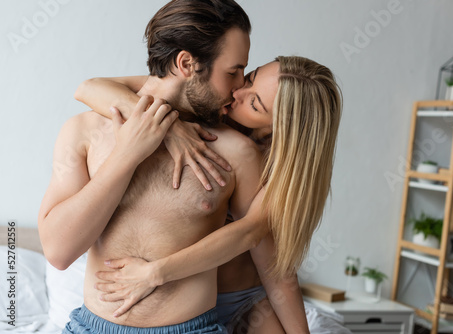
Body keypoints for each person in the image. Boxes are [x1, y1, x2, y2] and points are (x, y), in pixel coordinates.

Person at [37, 1, 277, 333]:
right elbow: (59, 252)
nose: (238, 88)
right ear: (186, 64)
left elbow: (268, 257)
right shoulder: (84, 131)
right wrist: (127, 155)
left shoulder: (236, 152)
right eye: (232, 72)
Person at [75, 55, 342, 332]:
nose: (237, 93)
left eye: (254, 103)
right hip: (195, 307)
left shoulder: (276, 168)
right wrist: (171, 128)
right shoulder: (205, 98)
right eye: (249, 79)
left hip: (247, 301)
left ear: (279, 130)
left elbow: (262, 250)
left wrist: (155, 273)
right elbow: (90, 88)